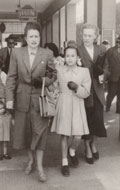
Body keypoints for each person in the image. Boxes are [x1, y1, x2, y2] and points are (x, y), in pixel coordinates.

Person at [5, 21, 56, 182]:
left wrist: (43, 81)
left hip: (39, 101)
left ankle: (40, 166)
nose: (34, 39)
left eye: (37, 36)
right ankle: (31, 160)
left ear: (40, 37)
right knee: (26, 134)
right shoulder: (16, 53)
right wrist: (9, 99)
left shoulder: (47, 53)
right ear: (26, 38)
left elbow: (53, 75)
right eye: (31, 36)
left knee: (40, 134)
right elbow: (11, 77)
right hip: (21, 100)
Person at [51, 45, 91, 176]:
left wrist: (76, 88)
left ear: (78, 57)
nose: (70, 58)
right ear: (64, 57)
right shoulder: (59, 70)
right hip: (64, 103)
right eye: (67, 56)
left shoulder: (84, 71)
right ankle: (64, 162)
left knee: (78, 135)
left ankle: (72, 150)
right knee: (64, 134)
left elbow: (86, 93)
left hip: (77, 103)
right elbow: (54, 85)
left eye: (73, 56)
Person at [78, 23, 107, 164]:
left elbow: (107, 66)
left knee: (97, 120)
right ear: (81, 36)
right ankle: (86, 147)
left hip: (98, 90)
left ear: (96, 36)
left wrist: (104, 75)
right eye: (85, 35)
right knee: (87, 120)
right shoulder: (78, 50)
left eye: (90, 35)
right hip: (85, 91)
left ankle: (93, 143)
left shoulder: (102, 49)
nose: (87, 38)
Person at [105, 35, 120, 112]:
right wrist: (107, 73)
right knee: (111, 93)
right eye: (118, 41)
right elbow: (106, 62)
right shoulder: (111, 50)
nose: (119, 43)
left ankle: (118, 109)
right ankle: (107, 107)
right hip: (113, 76)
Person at [0, 62, 12, 160]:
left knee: (5, 132)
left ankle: (5, 153)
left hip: (4, 108)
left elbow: (8, 91)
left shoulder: (4, 76)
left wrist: (5, 106)